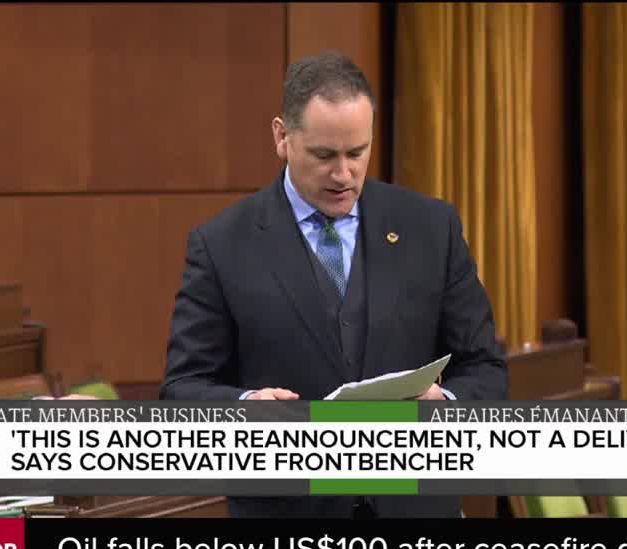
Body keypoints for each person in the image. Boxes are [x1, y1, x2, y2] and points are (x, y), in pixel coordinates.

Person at [161, 52, 507, 519]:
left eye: (356, 153)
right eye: (325, 156)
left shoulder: (431, 227)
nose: (343, 175)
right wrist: (246, 407)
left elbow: (485, 369)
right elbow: (183, 389)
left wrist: (443, 404)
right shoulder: (222, 245)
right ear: (282, 137)